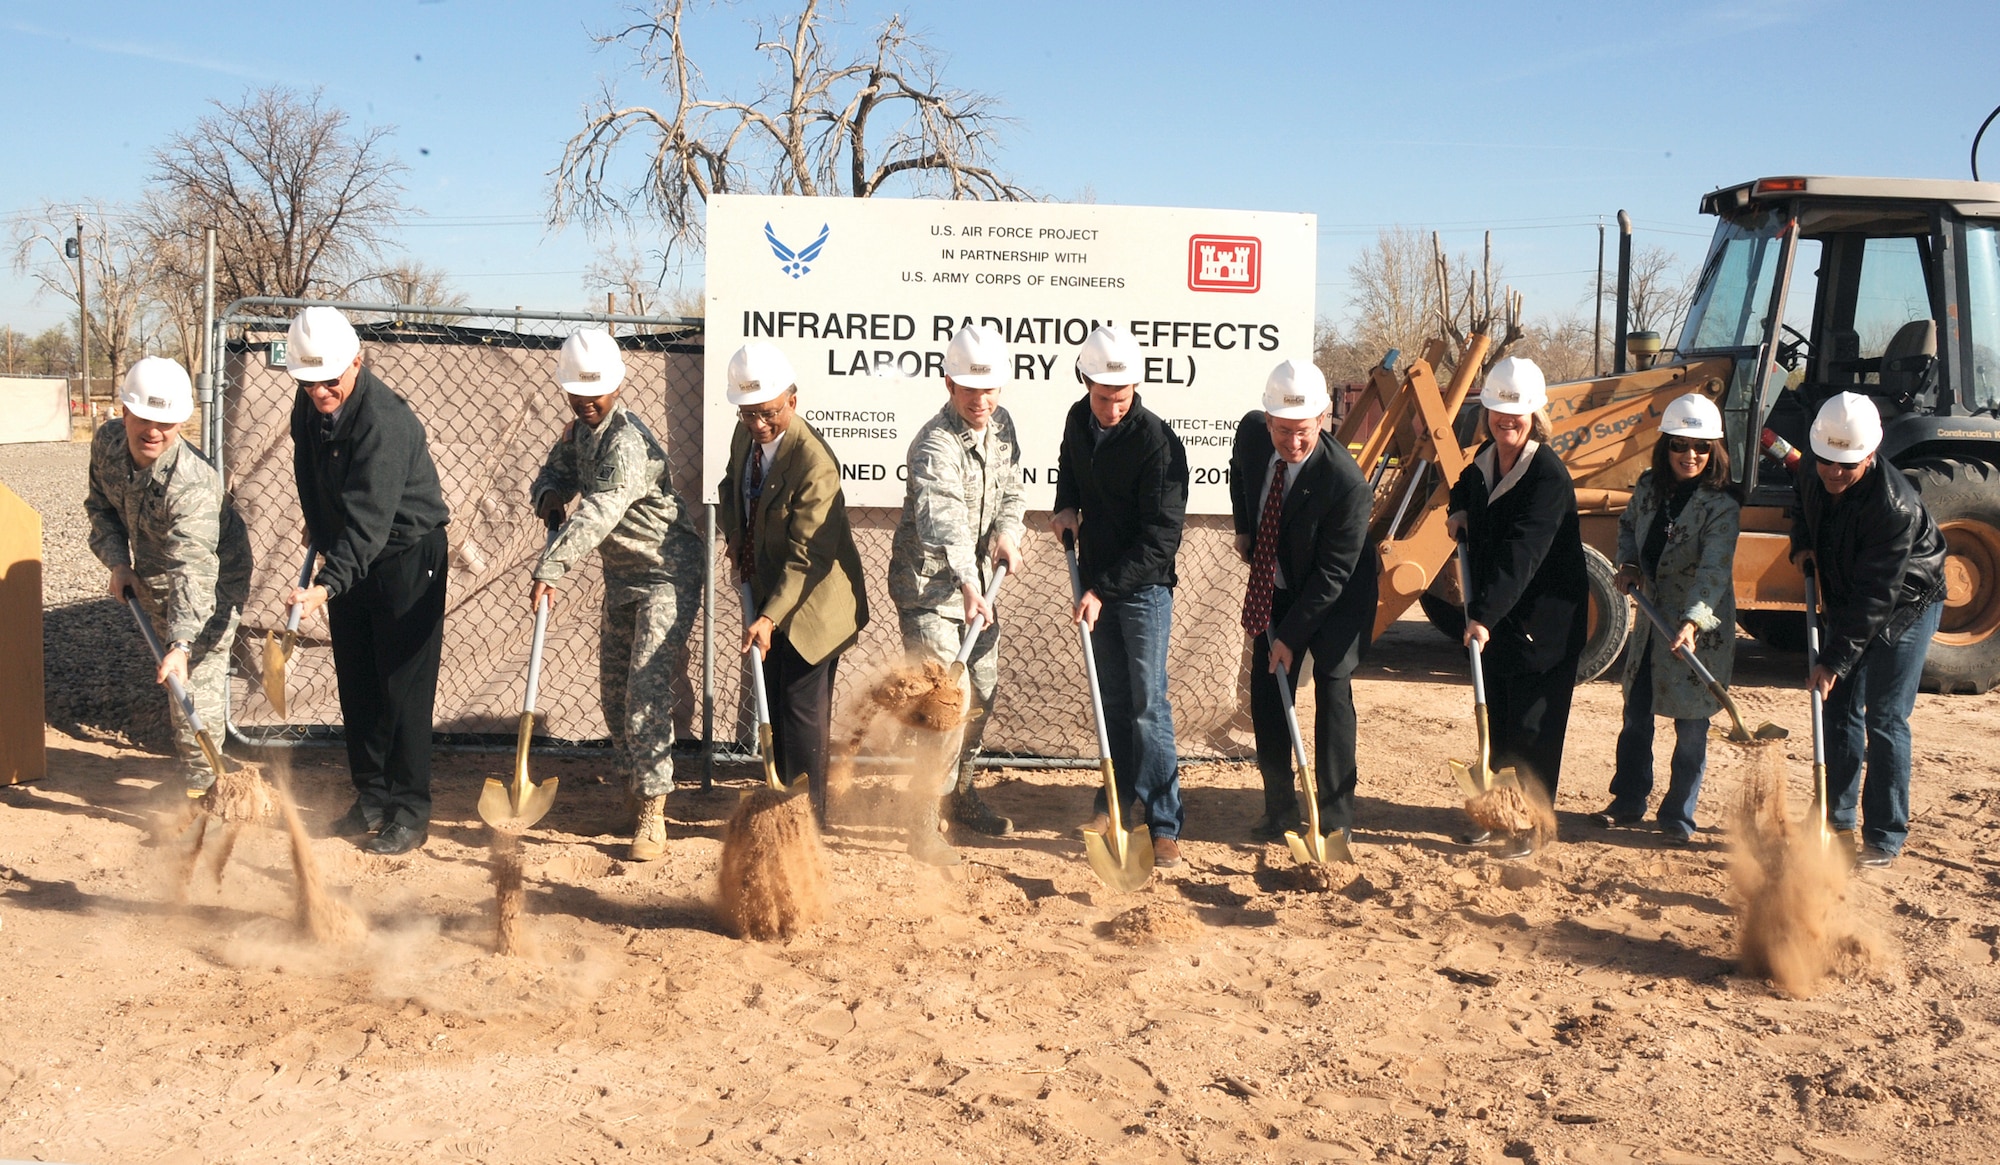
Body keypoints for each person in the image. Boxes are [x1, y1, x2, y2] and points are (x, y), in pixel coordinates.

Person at [529, 329, 703, 862]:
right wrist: (551, 496)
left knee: (645, 695)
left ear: (619, 385)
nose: (586, 402)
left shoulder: (626, 442)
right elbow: (551, 474)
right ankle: (631, 786)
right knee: (613, 692)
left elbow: (601, 512)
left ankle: (653, 811)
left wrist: (551, 566)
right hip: (623, 578)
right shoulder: (581, 431)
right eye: (577, 394)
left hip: (666, 576)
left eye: (596, 393)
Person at [286, 306, 451, 855]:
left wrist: (327, 585)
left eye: (330, 381)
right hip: (350, 553)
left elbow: (371, 521)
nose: (319, 392)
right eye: (309, 383)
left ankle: (409, 811)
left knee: (402, 687)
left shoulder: (384, 421)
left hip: (407, 554)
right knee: (357, 682)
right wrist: (320, 531)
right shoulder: (308, 404)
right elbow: (309, 473)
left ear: (358, 361)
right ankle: (371, 799)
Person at [1051, 325, 1191, 867]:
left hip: (1142, 592)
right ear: (1087, 383)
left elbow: (1161, 540)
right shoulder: (1076, 421)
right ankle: (1114, 801)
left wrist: (1103, 591)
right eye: (1103, 396)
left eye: (1123, 397)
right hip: (1096, 585)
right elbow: (1070, 468)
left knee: (1148, 705)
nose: (1112, 408)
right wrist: (1066, 504)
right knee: (1110, 701)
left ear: (1137, 387)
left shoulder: (1158, 444)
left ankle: (1163, 824)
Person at [888, 323, 1028, 865]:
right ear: (949, 384)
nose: (981, 399)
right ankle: (921, 822)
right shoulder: (933, 445)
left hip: (977, 591)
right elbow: (943, 524)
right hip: (931, 591)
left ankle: (960, 793)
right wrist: (972, 584)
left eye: (990, 388)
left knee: (983, 689)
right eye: (970, 388)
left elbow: (1012, 488)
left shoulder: (1003, 425)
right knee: (945, 705)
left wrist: (1009, 532)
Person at [1789, 391, 1946, 869]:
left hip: (1906, 602)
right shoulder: (1814, 474)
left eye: (1848, 464)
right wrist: (1802, 543)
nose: (1834, 472)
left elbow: (1878, 595)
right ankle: (1836, 820)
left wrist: (1834, 659)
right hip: (1853, 594)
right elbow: (1801, 504)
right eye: (1827, 461)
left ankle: (1884, 834)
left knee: (1884, 717)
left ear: (1870, 454)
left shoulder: (1894, 505)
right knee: (1838, 711)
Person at [86, 357, 253, 799]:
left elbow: (193, 571)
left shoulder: (193, 485)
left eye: (167, 422)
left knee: (191, 682)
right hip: (154, 566)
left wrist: (181, 646)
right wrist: (118, 563)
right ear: (124, 412)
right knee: (180, 680)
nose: (154, 431)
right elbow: (100, 508)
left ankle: (207, 791)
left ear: (182, 420)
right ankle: (204, 771)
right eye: (144, 418)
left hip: (213, 578)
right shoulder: (106, 444)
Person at [716, 341, 869, 825]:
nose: (758, 425)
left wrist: (767, 616)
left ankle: (809, 824)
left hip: (814, 605)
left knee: (801, 712)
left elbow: (809, 555)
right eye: (748, 415)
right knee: (775, 700)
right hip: (772, 594)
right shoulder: (746, 438)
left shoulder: (814, 462)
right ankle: (783, 805)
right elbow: (729, 490)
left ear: (792, 401)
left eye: (768, 413)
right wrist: (738, 543)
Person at [1229, 358, 1376, 845]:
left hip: (1339, 595)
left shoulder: (1345, 483)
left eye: (1304, 432)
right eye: (1283, 431)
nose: (1293, 443)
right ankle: (1279, 808)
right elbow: (1239, 473)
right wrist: (1247, 529)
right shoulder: (1253, 434)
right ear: (1268, 419)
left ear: (1324, 417)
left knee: (1333, 688)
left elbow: (1333, 574)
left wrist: (1292, 636)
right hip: (1281, 580)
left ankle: (1334, 819)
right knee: (1269, 692)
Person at [1446, 356, 1588, 859]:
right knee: (1501, 721)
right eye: (1499, 411)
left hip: (1544, 625)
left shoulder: (1547, 476)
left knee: (1534, 729)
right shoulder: (1487, 459)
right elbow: (1463, 485)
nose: (1507, 420)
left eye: (1517, 413)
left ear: (1534, 415)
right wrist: (1457, 509)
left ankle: (1534, 826)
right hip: (1504, 618)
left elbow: (1523, 553)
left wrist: (1481, 614)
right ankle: (1498, 814)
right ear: (1486, 412)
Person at [1598, 393, 1741, 844]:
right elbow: (1626, 527)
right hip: (1651, 623)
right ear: (1666, 448)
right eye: (1680, 445)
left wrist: (1694, 621)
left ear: (1714, 450)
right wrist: (1629, 565)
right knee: (1636, 716)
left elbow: (1714, 569)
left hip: (1697, 629)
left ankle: (1678, 815)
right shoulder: (1648, 488)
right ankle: (1628, 800)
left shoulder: (1721, 508)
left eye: (1700, 447)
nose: (1690, 456)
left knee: (1691, 729)